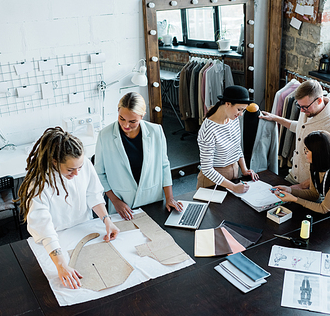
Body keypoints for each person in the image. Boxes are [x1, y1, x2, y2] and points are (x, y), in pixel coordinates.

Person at [18, 127, 119, 289]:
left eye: (79, 168)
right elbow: (44, 229)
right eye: (71, 170)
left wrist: (106, 219)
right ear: (54, 161)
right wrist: (61, 265)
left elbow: (93, 193)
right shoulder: (39, 184)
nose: (77, 174)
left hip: (82, 230)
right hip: (54, 242)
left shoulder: (83, 164)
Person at [94, 92, 181, 221]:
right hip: (122, 204)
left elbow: (164, 165)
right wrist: (116, 201)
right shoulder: (104, 135)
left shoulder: (156, 131)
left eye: (132, 121)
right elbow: (99, 173)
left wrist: (169, 197)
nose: (126, 125)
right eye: (121, 118)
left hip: (151, 199)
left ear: (142, 116)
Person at [260, 80, 330, 190]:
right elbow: (300, 127)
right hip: (293, 176)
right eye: (299, 106)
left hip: (311, 187)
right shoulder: (307, 109)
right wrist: (275, 118)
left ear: (319, 100)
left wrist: (301, 186)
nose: (301, 110)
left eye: (305, 107)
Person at [197, 85, 259, 192]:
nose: (240, 114)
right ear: (228, 104)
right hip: (213, 179)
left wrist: (244, 169)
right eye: (239, 109)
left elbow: (236, 146)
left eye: (243, 111)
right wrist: (233, 187)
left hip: (234, 172)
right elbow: (207, 169)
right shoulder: (208, 129)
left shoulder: (233, 119)